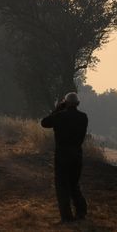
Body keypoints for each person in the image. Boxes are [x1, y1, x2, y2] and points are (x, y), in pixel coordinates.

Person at [41, 92, 88, 223]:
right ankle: (81, 211)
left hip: (62, 155)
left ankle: (67, 217)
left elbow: (44, 123)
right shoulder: (83, 117)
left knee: (62, 186)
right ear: (77, 103)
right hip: (77, 155)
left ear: (65, 103)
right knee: (74, 184)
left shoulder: (59, 116)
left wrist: (58, 109)